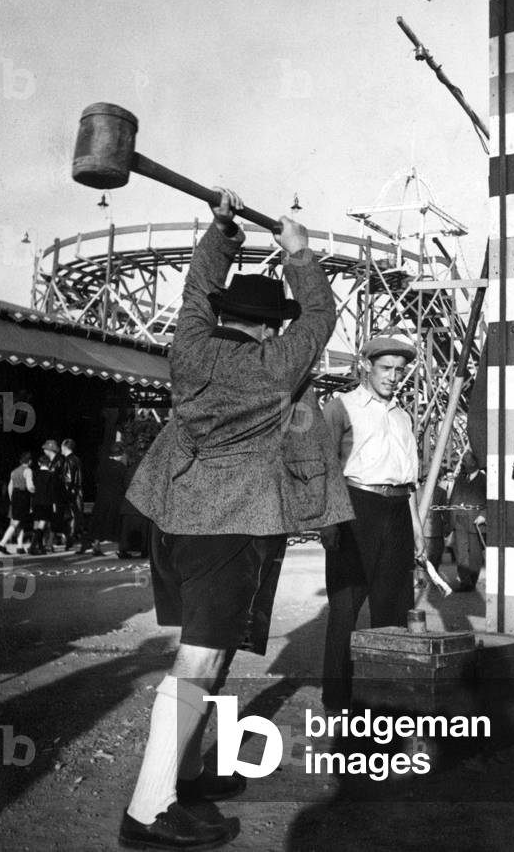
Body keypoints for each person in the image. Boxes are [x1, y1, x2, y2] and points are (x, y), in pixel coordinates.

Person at [119, 190, 352, 851]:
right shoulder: (277, 364)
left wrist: (222, 232)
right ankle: (148, 808)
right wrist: (300, 252)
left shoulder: (189, 346)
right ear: (269, 325)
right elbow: (322, 314)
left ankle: (186, 776)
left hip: (175, 522)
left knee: (207, 651)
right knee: (199, 660)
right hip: (228, 530)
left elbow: (196, 289)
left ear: (225, 315)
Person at [321, 332, 426, 711]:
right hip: (355, 507)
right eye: (385, 368)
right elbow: (325, 467)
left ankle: (385, 694)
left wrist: (415, 528)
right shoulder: (341, 407)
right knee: (346, 605)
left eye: (399, 370)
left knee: (394, 605)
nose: (393, 376)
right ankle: (336, 696)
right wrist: (329, 521)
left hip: (397, 510)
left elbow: (407, 478)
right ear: (366, 365)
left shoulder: (402, 416)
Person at [447, 449, 487, 592]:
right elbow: (453, 499)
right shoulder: (460, 479)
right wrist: (451, 518)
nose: (463, 464)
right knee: (461, 553)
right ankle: (465, 582)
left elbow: (491, 501)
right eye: (463, 461)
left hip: (476, 523)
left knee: (475, 555)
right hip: (459, 521)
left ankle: (472, 580)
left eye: (466, 461)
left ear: (475, 463)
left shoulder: (485, 481)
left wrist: (484, 515)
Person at [85, 442, 128, 556]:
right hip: (116, 499)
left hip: (102, 497)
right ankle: (121, 549)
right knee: (117, 523)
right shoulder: (121, 468)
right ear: (119, 454)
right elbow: (125, 484)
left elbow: (97, 479)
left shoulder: (102, 465)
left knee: (99, 521)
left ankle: (96, 545)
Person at [0, 452, 35, 554]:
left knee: (20, 523)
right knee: (16, 522)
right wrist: (36, 491)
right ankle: (1, 544)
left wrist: (12, 499)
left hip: (15, 496)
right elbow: (29, 486)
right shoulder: (28, 471)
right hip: (23, 496)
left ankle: (20, 546)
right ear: (30, 461)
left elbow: (10, 487)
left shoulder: (13, 472)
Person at [27, 453, 55, 555]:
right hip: (46, 502)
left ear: (39, 463)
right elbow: (52, 491)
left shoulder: (34, 473)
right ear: (49, 464)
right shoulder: (51, 475)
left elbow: (31, 488)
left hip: (35, 502)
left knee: (37, 524)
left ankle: (41, 547)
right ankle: (32, 546)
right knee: (42, 525)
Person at [60, 438, 84, 550]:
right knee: (77, 517)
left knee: (71, 517)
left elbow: (68, 479)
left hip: (71, 492)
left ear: (65, 447)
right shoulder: (76, 459)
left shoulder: (68, 460)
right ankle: (80, 540)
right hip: (77, 491)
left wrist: (66, 493)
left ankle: (71, 539)